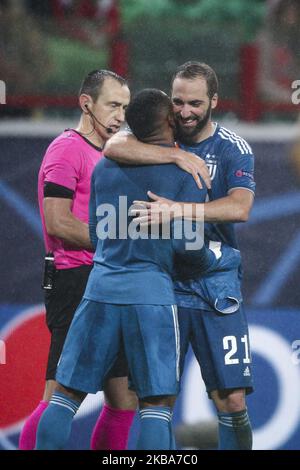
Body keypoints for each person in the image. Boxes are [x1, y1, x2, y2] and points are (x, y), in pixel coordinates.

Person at [35, 88, 241, 450]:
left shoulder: (103, 167)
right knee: (155, 406)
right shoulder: (186, 173)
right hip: (152, 300)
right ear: (166, 121)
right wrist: (222, 259)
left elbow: (97, 231)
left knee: (65, 397)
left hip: (98, 290)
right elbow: (189, 251)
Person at [104, 62, 255, 450]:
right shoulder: (160, 135)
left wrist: (177, 209)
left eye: (195, 103)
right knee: (155, 400)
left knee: (232, 399)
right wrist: (174, 157)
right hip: (162, 281)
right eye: (178, 102)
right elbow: (113, 144)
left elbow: (239, 207)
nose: (185, 112)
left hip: (213, 285)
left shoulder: (232, 148)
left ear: (215, 102)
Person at [19, 69, 138, 451]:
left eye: (126, 107)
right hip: (75, 280)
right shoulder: (66, 148)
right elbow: (57, 221)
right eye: (113, 105)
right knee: (60, 394)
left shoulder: (110, 152)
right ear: (87, 103)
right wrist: (114, 243)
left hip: (108, 278)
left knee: (124, 398)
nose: (121, 115)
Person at [256, 0, 300, 104]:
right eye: (288, 12)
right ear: (278, 14)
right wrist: (292, 99)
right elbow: (261, 84)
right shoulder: (265, 40)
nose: (291, 18)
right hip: (273, 111)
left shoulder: (295, 41)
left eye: (296, 13)